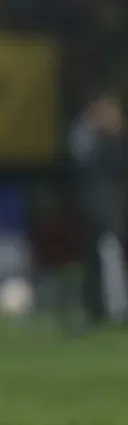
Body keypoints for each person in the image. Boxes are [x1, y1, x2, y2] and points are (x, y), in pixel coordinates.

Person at [69, 93, 128, 328]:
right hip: (100, 210)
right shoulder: (90, 140)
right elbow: (79, 148)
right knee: (103, 256)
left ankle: (109, 308)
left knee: (107, 255)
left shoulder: (116, 143)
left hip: (110, 209)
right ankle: (108, 309)